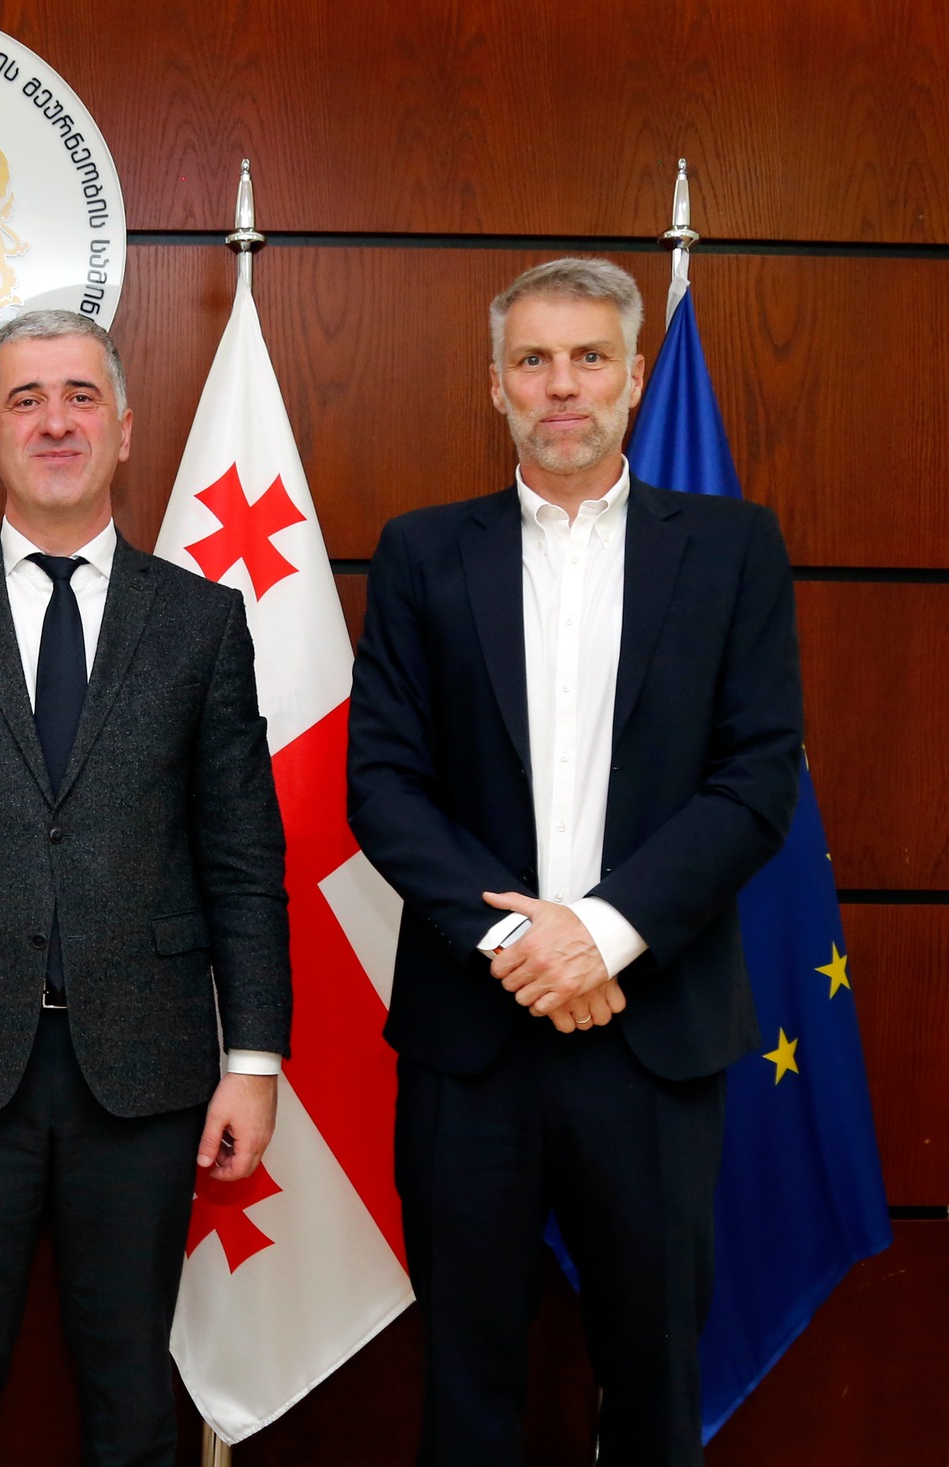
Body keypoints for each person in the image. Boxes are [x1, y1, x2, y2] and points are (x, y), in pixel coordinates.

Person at [0, 310, 293, 1467]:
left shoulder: (200, 621)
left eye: (79, 396)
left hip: (144, 1073)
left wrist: (252, 1061)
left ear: (122, 429)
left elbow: (240, 857)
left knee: (130, 1402)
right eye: (24, 400)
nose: (54, 421)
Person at [347, 258, 803, 1465]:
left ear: (634, 378)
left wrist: (596, 937)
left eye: (589, 358)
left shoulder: (731, 548)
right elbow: (382, 785)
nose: (561, 385)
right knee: (464, 1385)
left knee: (653, 1388)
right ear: (494, 385)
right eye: (533, 361)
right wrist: (520, 944)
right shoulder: (420, 553)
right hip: (470, 1039)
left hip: (651, 1035)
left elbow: (755, 779)